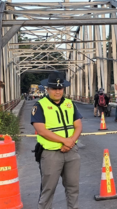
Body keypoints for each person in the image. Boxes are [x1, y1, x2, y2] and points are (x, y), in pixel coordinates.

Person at [31, 71, 83, 209]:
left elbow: (78, 126)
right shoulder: (40, 105)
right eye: (54, 88)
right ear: (47, 89)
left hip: (71, 151)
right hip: (50, 154)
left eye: (60, 88)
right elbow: (41, 130)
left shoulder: (70, 104)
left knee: (73, 187)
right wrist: (65, 141)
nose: (58, 91)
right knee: (48, 190)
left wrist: (70, 141)